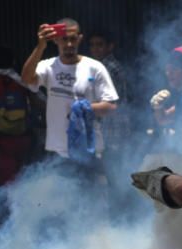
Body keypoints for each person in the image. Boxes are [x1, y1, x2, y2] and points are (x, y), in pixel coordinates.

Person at [20, 18, 118, 166]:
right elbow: (26, 79)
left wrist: (85, 107)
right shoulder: (48, 67)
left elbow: (111, 106)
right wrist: (40, 47)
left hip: (89, 151)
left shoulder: (95, 67)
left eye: (73, 39)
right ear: (56, 40)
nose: (69, 44)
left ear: (80, 39)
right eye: (64, 39)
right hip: (57, 151)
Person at [0, 46, 37, 185]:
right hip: (24, 136)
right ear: (14, 62)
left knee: (6, 180)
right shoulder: (22, 81)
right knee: (26, 176)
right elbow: (39, 102)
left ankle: (8, 204)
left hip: (0, 138)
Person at [87, 28, 131, 156]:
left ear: (110, 47)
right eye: (92, 45)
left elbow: (111, 102)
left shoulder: (109, 68)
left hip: (113, 127)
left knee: (111, 166)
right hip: (107, 127)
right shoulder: (98, 67)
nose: (95, 48)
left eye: (100, 44)